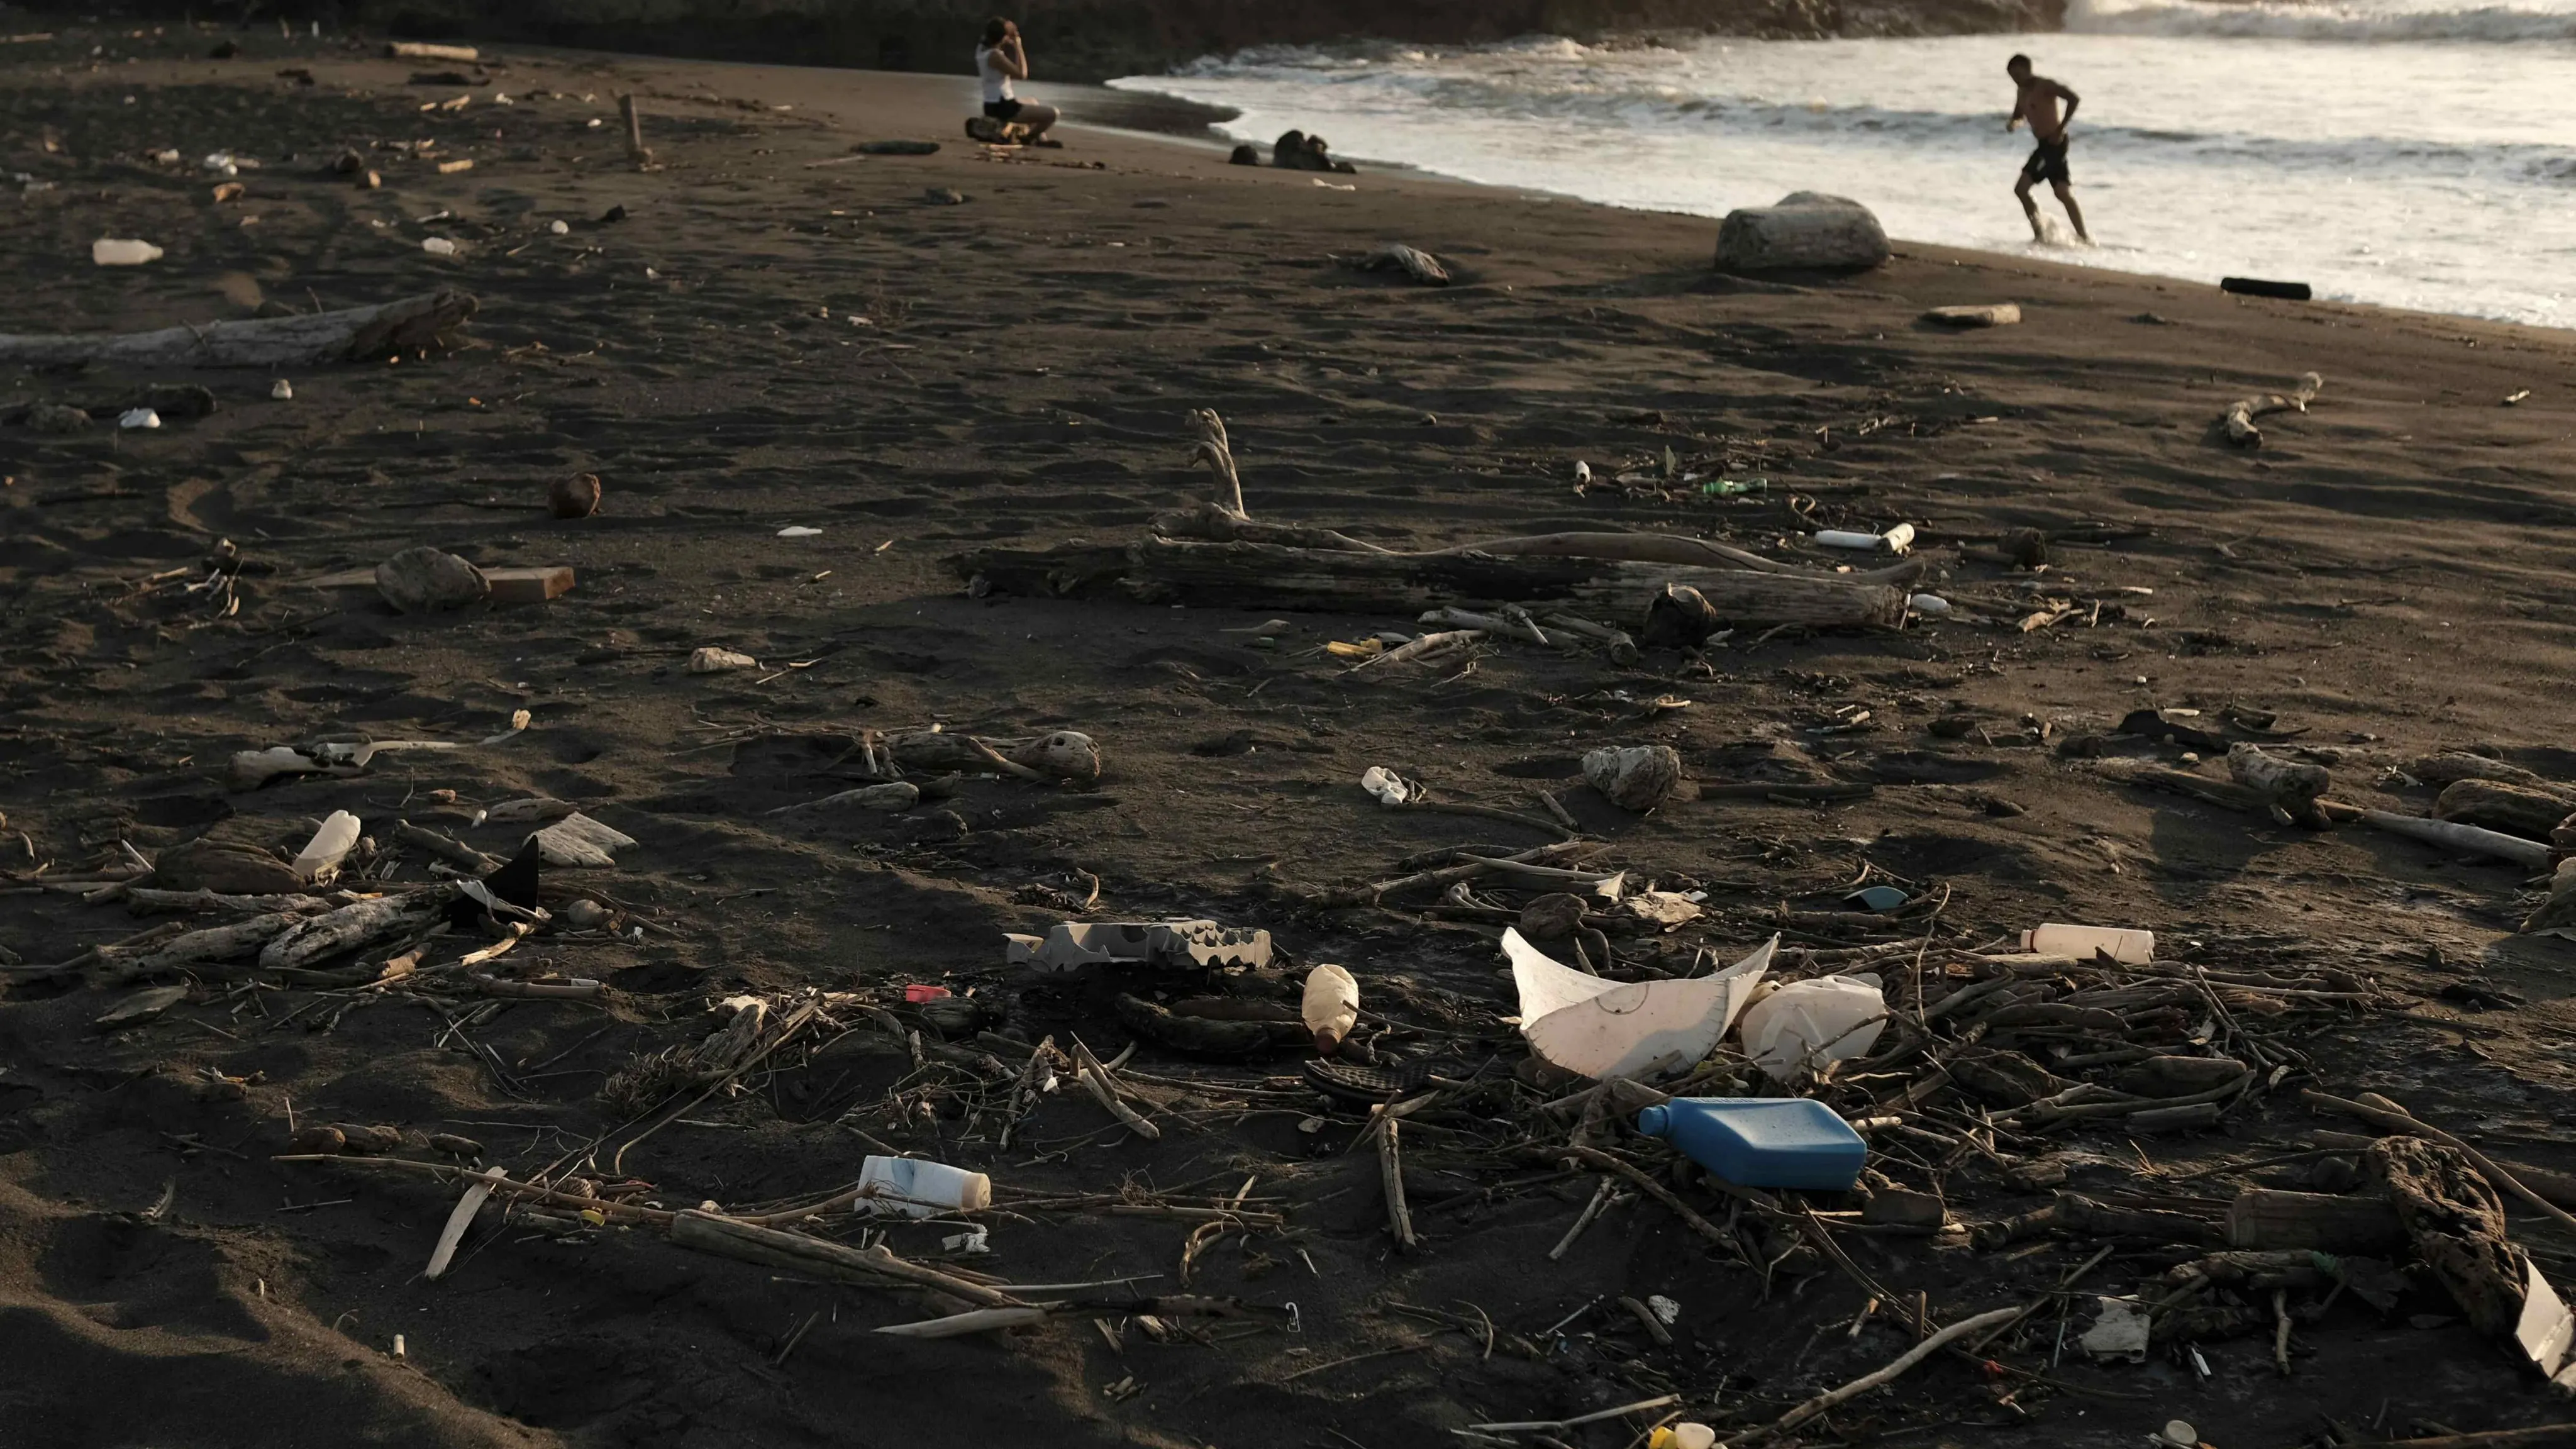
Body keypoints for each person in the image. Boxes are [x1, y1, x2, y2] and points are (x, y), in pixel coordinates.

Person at [2005, 53, 2088, 244]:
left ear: (2027, 70)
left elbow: (2073, 99)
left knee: (2021, 189)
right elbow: (2019, 115)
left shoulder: (2045, 86)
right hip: (2044, 145)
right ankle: (2083, 237)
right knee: (2061, 192)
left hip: (2054, 144)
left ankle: (2041, 236)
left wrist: (2061, 128)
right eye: (2012, 77)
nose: (2016, 80)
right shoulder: (2022, 92)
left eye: (2018, 75)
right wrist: (2013, 123)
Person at [974, 19, 1058, 144]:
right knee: (1053, 114)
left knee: (1032, 101)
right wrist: (1018, 45)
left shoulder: (981, 50)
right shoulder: (995, 56)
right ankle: (1028, 138)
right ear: (1002, 37)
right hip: (1004, 108)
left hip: (992, 104)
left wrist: (1005, 34)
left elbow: (988, 35)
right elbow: (1021, 75)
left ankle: (1040, 138)